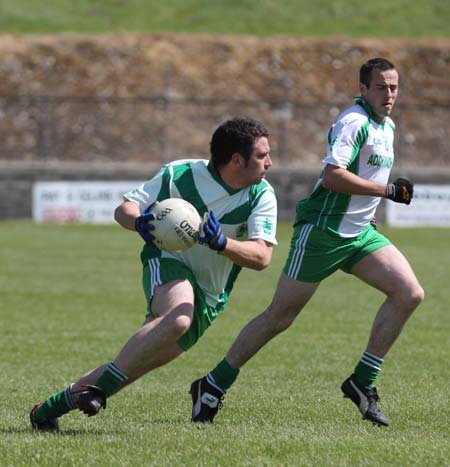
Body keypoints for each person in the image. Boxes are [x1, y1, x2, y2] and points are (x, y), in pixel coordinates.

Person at [190, 58, 424, 427]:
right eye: (380, 87)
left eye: (393, 87)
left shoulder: (387, 125)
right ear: (363, 89)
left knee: (409, 293)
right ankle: (213, 384)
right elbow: (333, 177)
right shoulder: (354, 122)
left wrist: (372, 210)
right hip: (322, 233)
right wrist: (388, 191)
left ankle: (362, 382)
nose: (389, 94)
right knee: (280, 317)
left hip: (360, 233)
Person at [30, 117, 277, 432]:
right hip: (167, 260)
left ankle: (45, 411)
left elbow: (262, 257)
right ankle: (98, 390)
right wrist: (138, 223)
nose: (269, 162)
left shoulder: (260, 195)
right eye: (262, 155)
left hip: (210, 296)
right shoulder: (179, 174)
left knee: (134, 365)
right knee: (178, 318)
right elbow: (126, 209)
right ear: (237, 160)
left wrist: (222, 243)